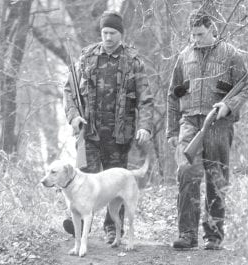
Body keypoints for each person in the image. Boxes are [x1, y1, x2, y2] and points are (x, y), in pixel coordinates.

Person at [63, 10, 153, 244]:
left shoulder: (133, 62)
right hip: (89, 133)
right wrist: (73, 117)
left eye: (113, 33)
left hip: (118, 135)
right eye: (105, 32)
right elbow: (68, 91)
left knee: (115, 187)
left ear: (121, 34)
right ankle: (80, 226)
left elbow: (145, 99)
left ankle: (113, 229)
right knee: (84, 181)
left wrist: (145, 127)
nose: (108, 37)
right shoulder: (87, 57)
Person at [166, 10, 248, 250]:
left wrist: (228, 105)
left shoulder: (231, 54)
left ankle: (213, 236)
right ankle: (187, 234)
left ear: (212, 29)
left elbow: (245, 88)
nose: (196, 39)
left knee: (216, 178)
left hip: (219, 125)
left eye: (200, 34)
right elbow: (173, 95)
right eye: (192, 34)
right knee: (186, 173)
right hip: (190, 123)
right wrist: (172, 132)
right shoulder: (184, 56)